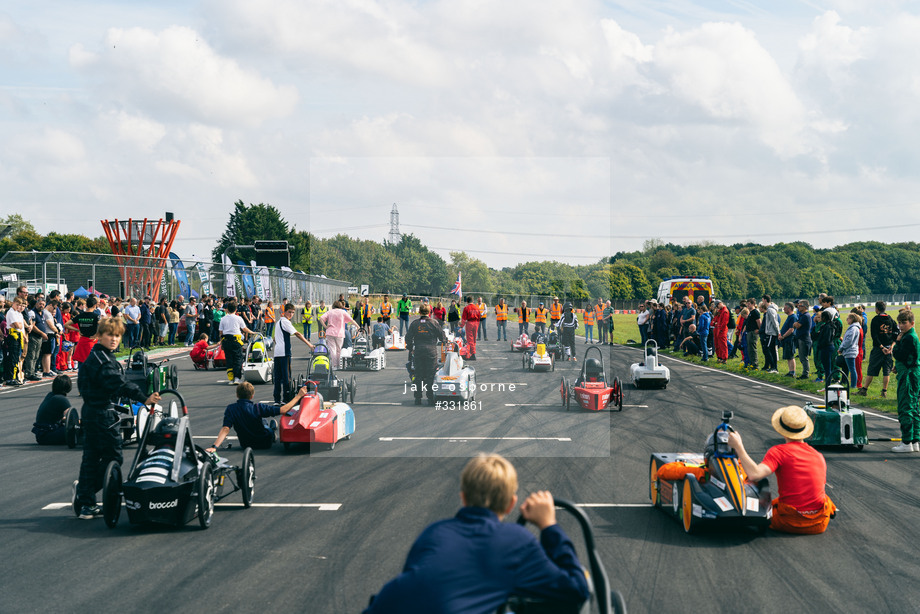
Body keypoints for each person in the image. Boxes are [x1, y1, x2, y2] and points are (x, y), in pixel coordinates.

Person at [363, 454, 590, 613]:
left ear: (463, 497)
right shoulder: (516, 541)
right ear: (511, 504)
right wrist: (549, 526)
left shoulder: (434, 532)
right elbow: (576, 589)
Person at [73, 317, 160, 519]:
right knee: (114, 456)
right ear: (99, 336)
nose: (114, 339)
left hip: (91, 411)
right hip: (102, 412)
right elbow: (119, 385)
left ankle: (86, 503)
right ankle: (85, 494)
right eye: (110, 335)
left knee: (91, 458)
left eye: (118, 335)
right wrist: (144, 398)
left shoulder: (96, 356)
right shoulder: (103, 360)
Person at [727, 405, 836, 534]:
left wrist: (739, 447)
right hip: (820, 523)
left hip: (789, 522)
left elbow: (755, 475)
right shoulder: (818, 455)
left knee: (759, 506)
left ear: (781, 429)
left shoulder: (779, 452)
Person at [208, 382, 308, 451]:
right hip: (264, 442)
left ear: (237, 395)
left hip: (246, 444)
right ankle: (272, 430)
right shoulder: (258, 407)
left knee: (263, 420)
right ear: (252, 396)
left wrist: (214, 446)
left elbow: (225, 428)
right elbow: (283, 410)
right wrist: (299, 396)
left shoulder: (231, 409)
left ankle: (270, 427)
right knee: (265, 423)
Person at [884, 310, 920, 452]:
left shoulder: (908, 338)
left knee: (906, 407)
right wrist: (897, 366)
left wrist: (896, 343)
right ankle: (915, 440)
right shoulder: (910, 336)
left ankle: (906, 442)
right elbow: (906, 358)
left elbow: (899, 354)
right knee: (915, 408)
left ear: (912, 323)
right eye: (899, 323)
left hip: (908, 377)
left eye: (904, 323)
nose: (900, 326)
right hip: (911, 373)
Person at [405, 304, 448, 405]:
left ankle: (417, 398)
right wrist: (445, 342)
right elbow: (442, 337)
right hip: (431, 352)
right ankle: (430, 398)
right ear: (430, 312)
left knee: (418, 375)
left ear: (419, 312)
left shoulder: (415, 324)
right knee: (431, 375)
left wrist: (411, 348)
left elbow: (408, 338)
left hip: (418, 351)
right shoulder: (434, 323)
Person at [274, 303, 314, 404]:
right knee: (286, 376)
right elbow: (297, 333)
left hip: (277, 352)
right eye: (289, 312)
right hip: (284, 353)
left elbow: (275, 339)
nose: (291, 314)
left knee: (277, 377)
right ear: (284, 312)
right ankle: (286, 399)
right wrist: (309, 345)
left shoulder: (278, 322)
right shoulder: (286, 322)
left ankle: (277, 399)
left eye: (292, 313)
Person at [859, 301, 898, 397]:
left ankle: (864, 390)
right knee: (886, 371)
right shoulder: (891, 320)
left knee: (871, 369)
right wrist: (891, 347)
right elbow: (896, 335)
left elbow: (874, 336)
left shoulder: (875, 320)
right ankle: (884, 391)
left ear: (877, 309)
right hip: (889, 349)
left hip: (878, 349)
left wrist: (881, 347)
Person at [32, 375, 74, 445]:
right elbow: (72, 419)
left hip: (41, 434)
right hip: (47, 434)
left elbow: (58, 418)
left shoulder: (50, 395)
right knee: (75, 429)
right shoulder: (61, 399)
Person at [219, 302, 254, 385]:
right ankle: (237, 378)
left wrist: (221, 343)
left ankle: (231, 378)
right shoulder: (238, 318)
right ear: (236, 309)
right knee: (238, 359)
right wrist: (252, 332)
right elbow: (244, 329)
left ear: (227, 309)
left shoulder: (223, 319)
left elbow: (220, 332)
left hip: (226, 340)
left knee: (229, 359)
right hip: (236, 341)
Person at [318, 300, 357, 370]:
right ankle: (339, 364)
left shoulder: (330, 312)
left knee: (332, 349)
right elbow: (351, 320)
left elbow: (321, 318)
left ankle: (334, 365)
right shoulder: (343, 312)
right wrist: (358, 326)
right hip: (339, 333)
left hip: (330, 332)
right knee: (339, 350)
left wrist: (325, 326)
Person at [837, 313, 861, 388]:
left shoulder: (853, 328)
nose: (847, 320)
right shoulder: (854, 328)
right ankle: (850, 383)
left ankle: (853, 385)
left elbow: (848, 341)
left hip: (850, 351)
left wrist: (841, 348)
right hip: (850, 350)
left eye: (848, 318)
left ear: (852, 319)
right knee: (851, 368)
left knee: (852, 369)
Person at [793, 300, 812, 380]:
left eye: (800, 305)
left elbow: (797, 325)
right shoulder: (802, 315)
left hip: (804, 338)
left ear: (804, 307)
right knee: (801, 357)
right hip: (801, 338)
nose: (798, 307)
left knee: (803, 357)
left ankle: (805, 373)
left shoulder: (805, 316)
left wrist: (796, 324)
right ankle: (805, 372)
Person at [778, 302, 798, 377]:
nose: (784, 309)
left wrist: (783, 336)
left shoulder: (793, 317)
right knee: (788, 356)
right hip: (786, 339)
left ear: (790, 308)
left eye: (785, 308)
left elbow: (791, 329)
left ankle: (793, 372)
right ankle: (790, 371)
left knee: (790, 356)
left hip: (790, 339)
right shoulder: (789, 317)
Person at [460, 296, 482, 361]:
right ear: (473, 301)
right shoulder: (476, 308)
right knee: (474, 338)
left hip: (470, 323)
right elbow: (479, 317)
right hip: (476, 323)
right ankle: (472, 352)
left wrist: (461, 326)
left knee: (470, 339)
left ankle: (473, 354)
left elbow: (464, 319)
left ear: (467, 301)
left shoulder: (466, 308)